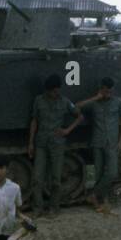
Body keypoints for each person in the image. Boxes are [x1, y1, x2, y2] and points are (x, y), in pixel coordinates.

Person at [27, 74, 80, 216]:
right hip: (41, 143)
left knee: (56, 179)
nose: (56, 93)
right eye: (53, 91)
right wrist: (31, 143)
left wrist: (67, 130)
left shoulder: (65, 102)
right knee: (37, 178)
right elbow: (34, 121)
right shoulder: (39, 101)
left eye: (57, 90)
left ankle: (53, 207)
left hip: (57, 144)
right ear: (47, 90)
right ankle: (37, 208)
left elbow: (79, 116)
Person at [76, 77, 121, 214]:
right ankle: (101, 201)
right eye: (105, 91)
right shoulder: (94, 104)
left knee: (112, 172)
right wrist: (95, 98)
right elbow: (77, 106)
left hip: (112, 142)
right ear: (101, 89)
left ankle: (93, 194)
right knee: (98, 173)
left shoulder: (118, 102)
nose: (108, 94)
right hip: (97, 142)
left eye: (110, 91)